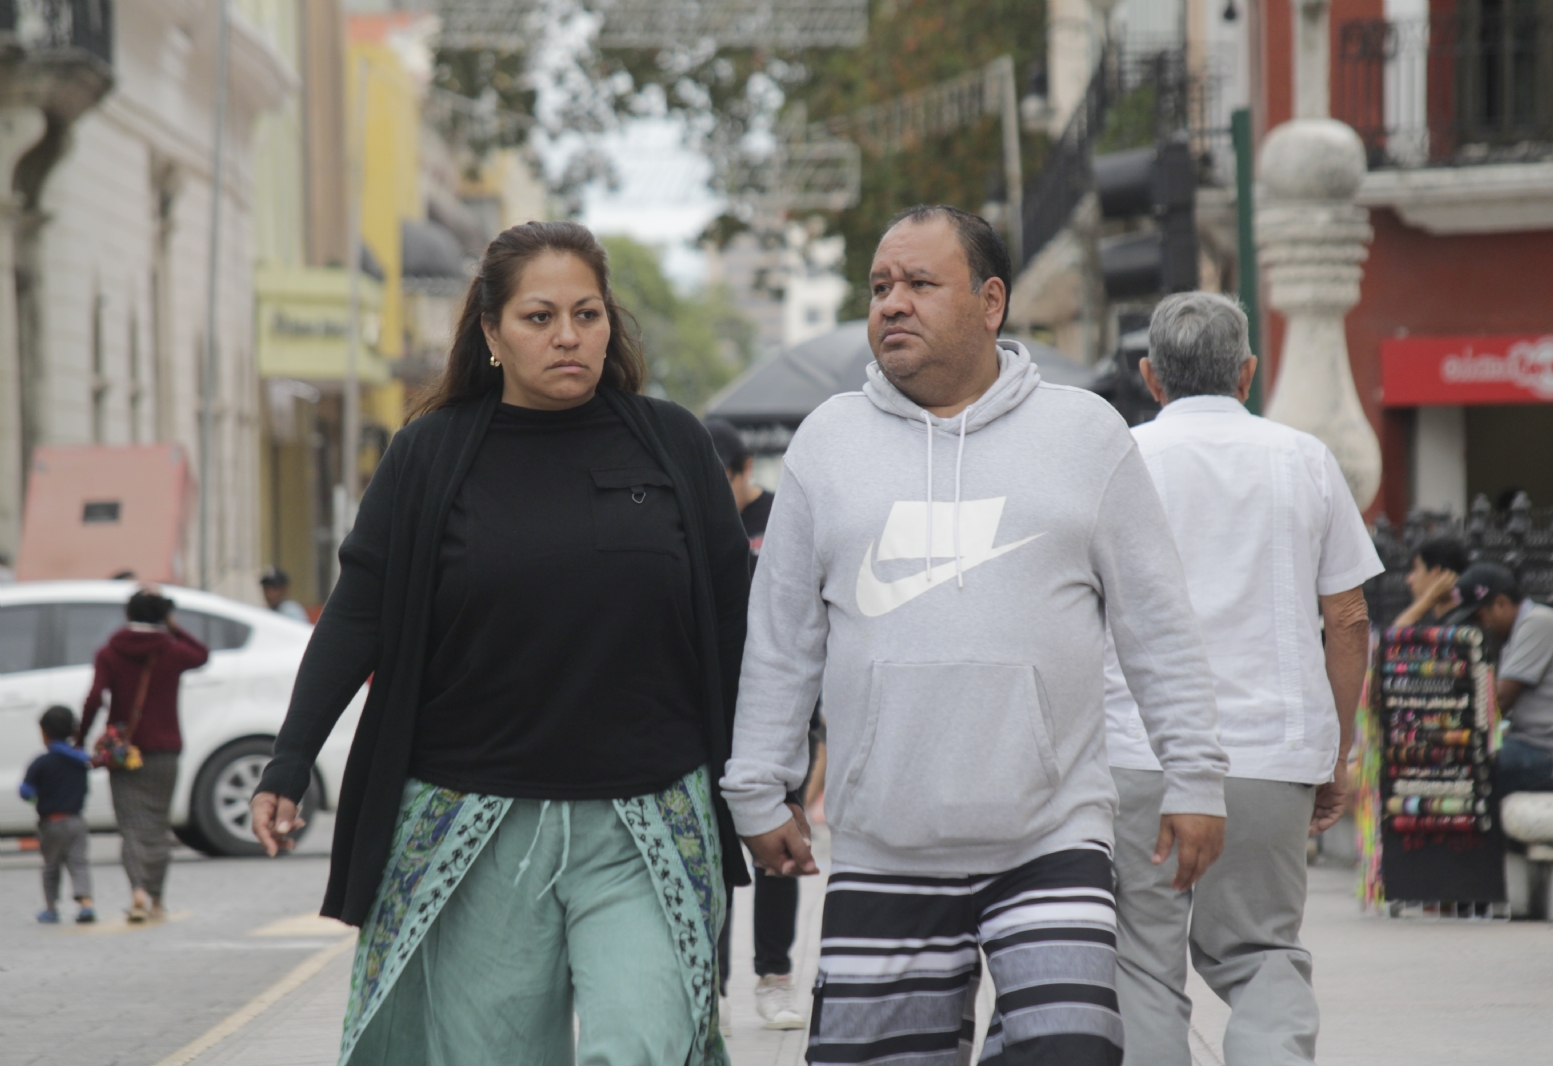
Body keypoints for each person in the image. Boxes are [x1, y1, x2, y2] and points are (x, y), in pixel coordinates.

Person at [724, 204, 1228, 1066]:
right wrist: (758, 784)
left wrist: (1197, 777)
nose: (892, 304)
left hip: (1051, 835)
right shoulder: (827, 443)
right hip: (884, 842)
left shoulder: (1085, 434)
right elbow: (782, 637)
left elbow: (1157, 624)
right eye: (881, 286)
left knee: (1070, 1053)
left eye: (920, 283)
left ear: (991, 301)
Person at [249, 221, 752, 1066]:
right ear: (489, 333)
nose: (568, 336)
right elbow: (358, 612)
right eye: (539, 317)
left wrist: (773, 772)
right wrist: (289, 760)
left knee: (645, 1045)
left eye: (588, 315)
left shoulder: (670, 444)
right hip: (474, 823)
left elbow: (739, 622)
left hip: (650, 820)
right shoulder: (428, 455)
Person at [1103, 291, 1382, 1066]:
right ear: (1248, 373)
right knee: (1262, 952)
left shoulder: (1117, 458)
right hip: (1267, 755)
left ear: (1150, 376)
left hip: (1138, 753)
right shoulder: (1303, 459)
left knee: (1141, 964)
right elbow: (1349, 617)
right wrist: (1339, 747)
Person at [705, 417, 806, 1030]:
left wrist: (813, 729)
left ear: (746, 474)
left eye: (723, 481)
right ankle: (709, 987)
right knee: (713, 847)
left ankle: (775, 976)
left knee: (778, 844)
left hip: (775, 707)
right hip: (713, 709)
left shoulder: (781, 519)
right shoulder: (689, 521)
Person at [79, 588, 208, 923]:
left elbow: (94, 699)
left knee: (132, 826)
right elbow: (202, 653)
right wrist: (173, 626)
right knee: (156, 825)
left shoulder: (110, 651)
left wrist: (80, 739)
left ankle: (137, 891)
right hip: (165, 749)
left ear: (128, 615)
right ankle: (157, 900)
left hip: (125, 753)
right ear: (162, 616)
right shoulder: (173, 650)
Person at [1449, 562, 1553, 793]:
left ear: (1500, 603)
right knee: (1466, 756)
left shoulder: (1537, 623)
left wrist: (1448, 727)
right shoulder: (1515, 633)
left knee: (1465, 759)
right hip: (1537, 748)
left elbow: (1498, 701)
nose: (1477, 628)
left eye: (1478, 618)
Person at [21, 706, 95, 924]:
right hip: (77, 820)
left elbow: (26, 791)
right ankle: (86, 905)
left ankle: (51, 908)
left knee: (51, 867)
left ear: (44, 733)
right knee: (79, 863)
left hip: (51, 823)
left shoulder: (41, 762)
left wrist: (35, 798)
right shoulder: (80, 762)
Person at [1392, 534, 1470, 627]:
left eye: (1415, 569)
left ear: (1436, 574)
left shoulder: (1461, 624)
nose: (1409, 579)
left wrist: (1428, 599)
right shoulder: (1435, 621)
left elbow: (1395, 635)